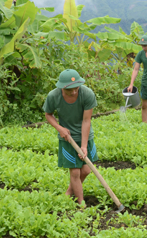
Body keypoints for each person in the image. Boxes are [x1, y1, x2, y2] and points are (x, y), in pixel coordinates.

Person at [43, 69, 98, 206]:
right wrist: (59, 128)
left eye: (76, 88)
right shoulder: (53, 96)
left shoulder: (87, 94)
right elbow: (48, 114)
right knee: (74, 172)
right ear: (62, 87)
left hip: (85, 135)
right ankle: (81, 204)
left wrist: (84, 146)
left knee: (86, 170)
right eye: (69, 90)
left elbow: (86, 121)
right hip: (67, 138)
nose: (74, 92)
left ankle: (69, 191)